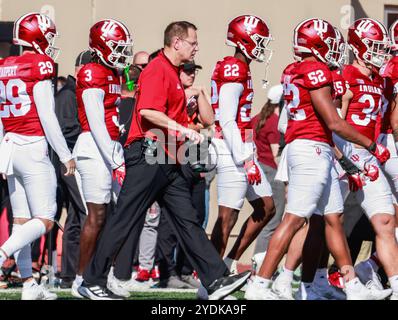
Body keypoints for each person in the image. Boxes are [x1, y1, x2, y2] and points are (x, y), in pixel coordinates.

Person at [78, 20, 250, 300]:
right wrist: (182, 130)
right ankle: (92, 280)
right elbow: (147, 111)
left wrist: (187, 136)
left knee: (188, 221)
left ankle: (216, 278)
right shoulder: (158, 68)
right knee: (124, 219)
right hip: (148, 152)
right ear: (177, 42)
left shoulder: (172, 71)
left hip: (167, 155)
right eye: (193, 43)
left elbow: (204, 119)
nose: (197, 48)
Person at [244, 18, 391, 300]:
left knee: (333, 218)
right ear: (317, 44)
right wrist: (372, 146)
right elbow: (334, 122)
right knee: (294, 219)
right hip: (311, 147)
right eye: (331, 44)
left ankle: (347, 284)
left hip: (314, 148)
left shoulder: (295, 68)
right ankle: (261, 283)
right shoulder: (315, 70)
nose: (336, 50)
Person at [0, 12, 76, 300]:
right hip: (32, 146)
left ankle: (30, 284)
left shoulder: (5, 64)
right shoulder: (40, 64)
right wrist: (66, 154)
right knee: (44, 220)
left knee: (21, 222)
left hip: (9, 146)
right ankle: (2, 254)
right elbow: (47, 116)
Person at [209, 15, 276, 274]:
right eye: (258, 40)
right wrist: (245, 159)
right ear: (244, 40)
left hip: (241, 145)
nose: (262, 46)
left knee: (267, 206)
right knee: (228, 215)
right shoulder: (234, 68)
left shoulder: (242, 67)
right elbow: (226, 120)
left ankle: (227, 263)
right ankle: (211, 278)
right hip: (230, 146)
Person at [71, 19, 132, 298]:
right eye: (117, 47)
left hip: (109, 147)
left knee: (117, 216)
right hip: (94, 147)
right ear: (101, 46)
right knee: (96, 216)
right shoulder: (91, 72)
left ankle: (101, 275)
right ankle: (82, 280)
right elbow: (96, 122)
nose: (122, 53)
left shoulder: (113, 73)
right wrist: (114, 159)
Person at [156, 60, 213, 289]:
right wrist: (193, 126)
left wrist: (199, 94)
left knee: (197, 214)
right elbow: (171, 122)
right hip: (171, 152)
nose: (191, 75)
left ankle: (186, 269)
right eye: (187, 71)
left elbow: (209, 121)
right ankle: (167, 273)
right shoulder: (170, 90)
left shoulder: (195, 92)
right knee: (169, 219)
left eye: (193, 71)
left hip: (193, 155)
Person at [56, 50, 91, 288]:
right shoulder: (68, 94)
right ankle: (78, 273)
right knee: (87, 213)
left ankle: (69, 274)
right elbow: (66, 130)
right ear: (80, 70)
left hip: (70, 161)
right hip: (69, 162)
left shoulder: (74, 92)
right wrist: (88, 136)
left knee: (77, 219)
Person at [251, 84, 286, 255]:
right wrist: (287, 183)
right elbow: (276, 155)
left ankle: (259, 261)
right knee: (273, 221)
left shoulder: (258, 118)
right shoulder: (274, 122)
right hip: (272, 172)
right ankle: (260, 262)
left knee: (263, 217)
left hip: (259, 168)